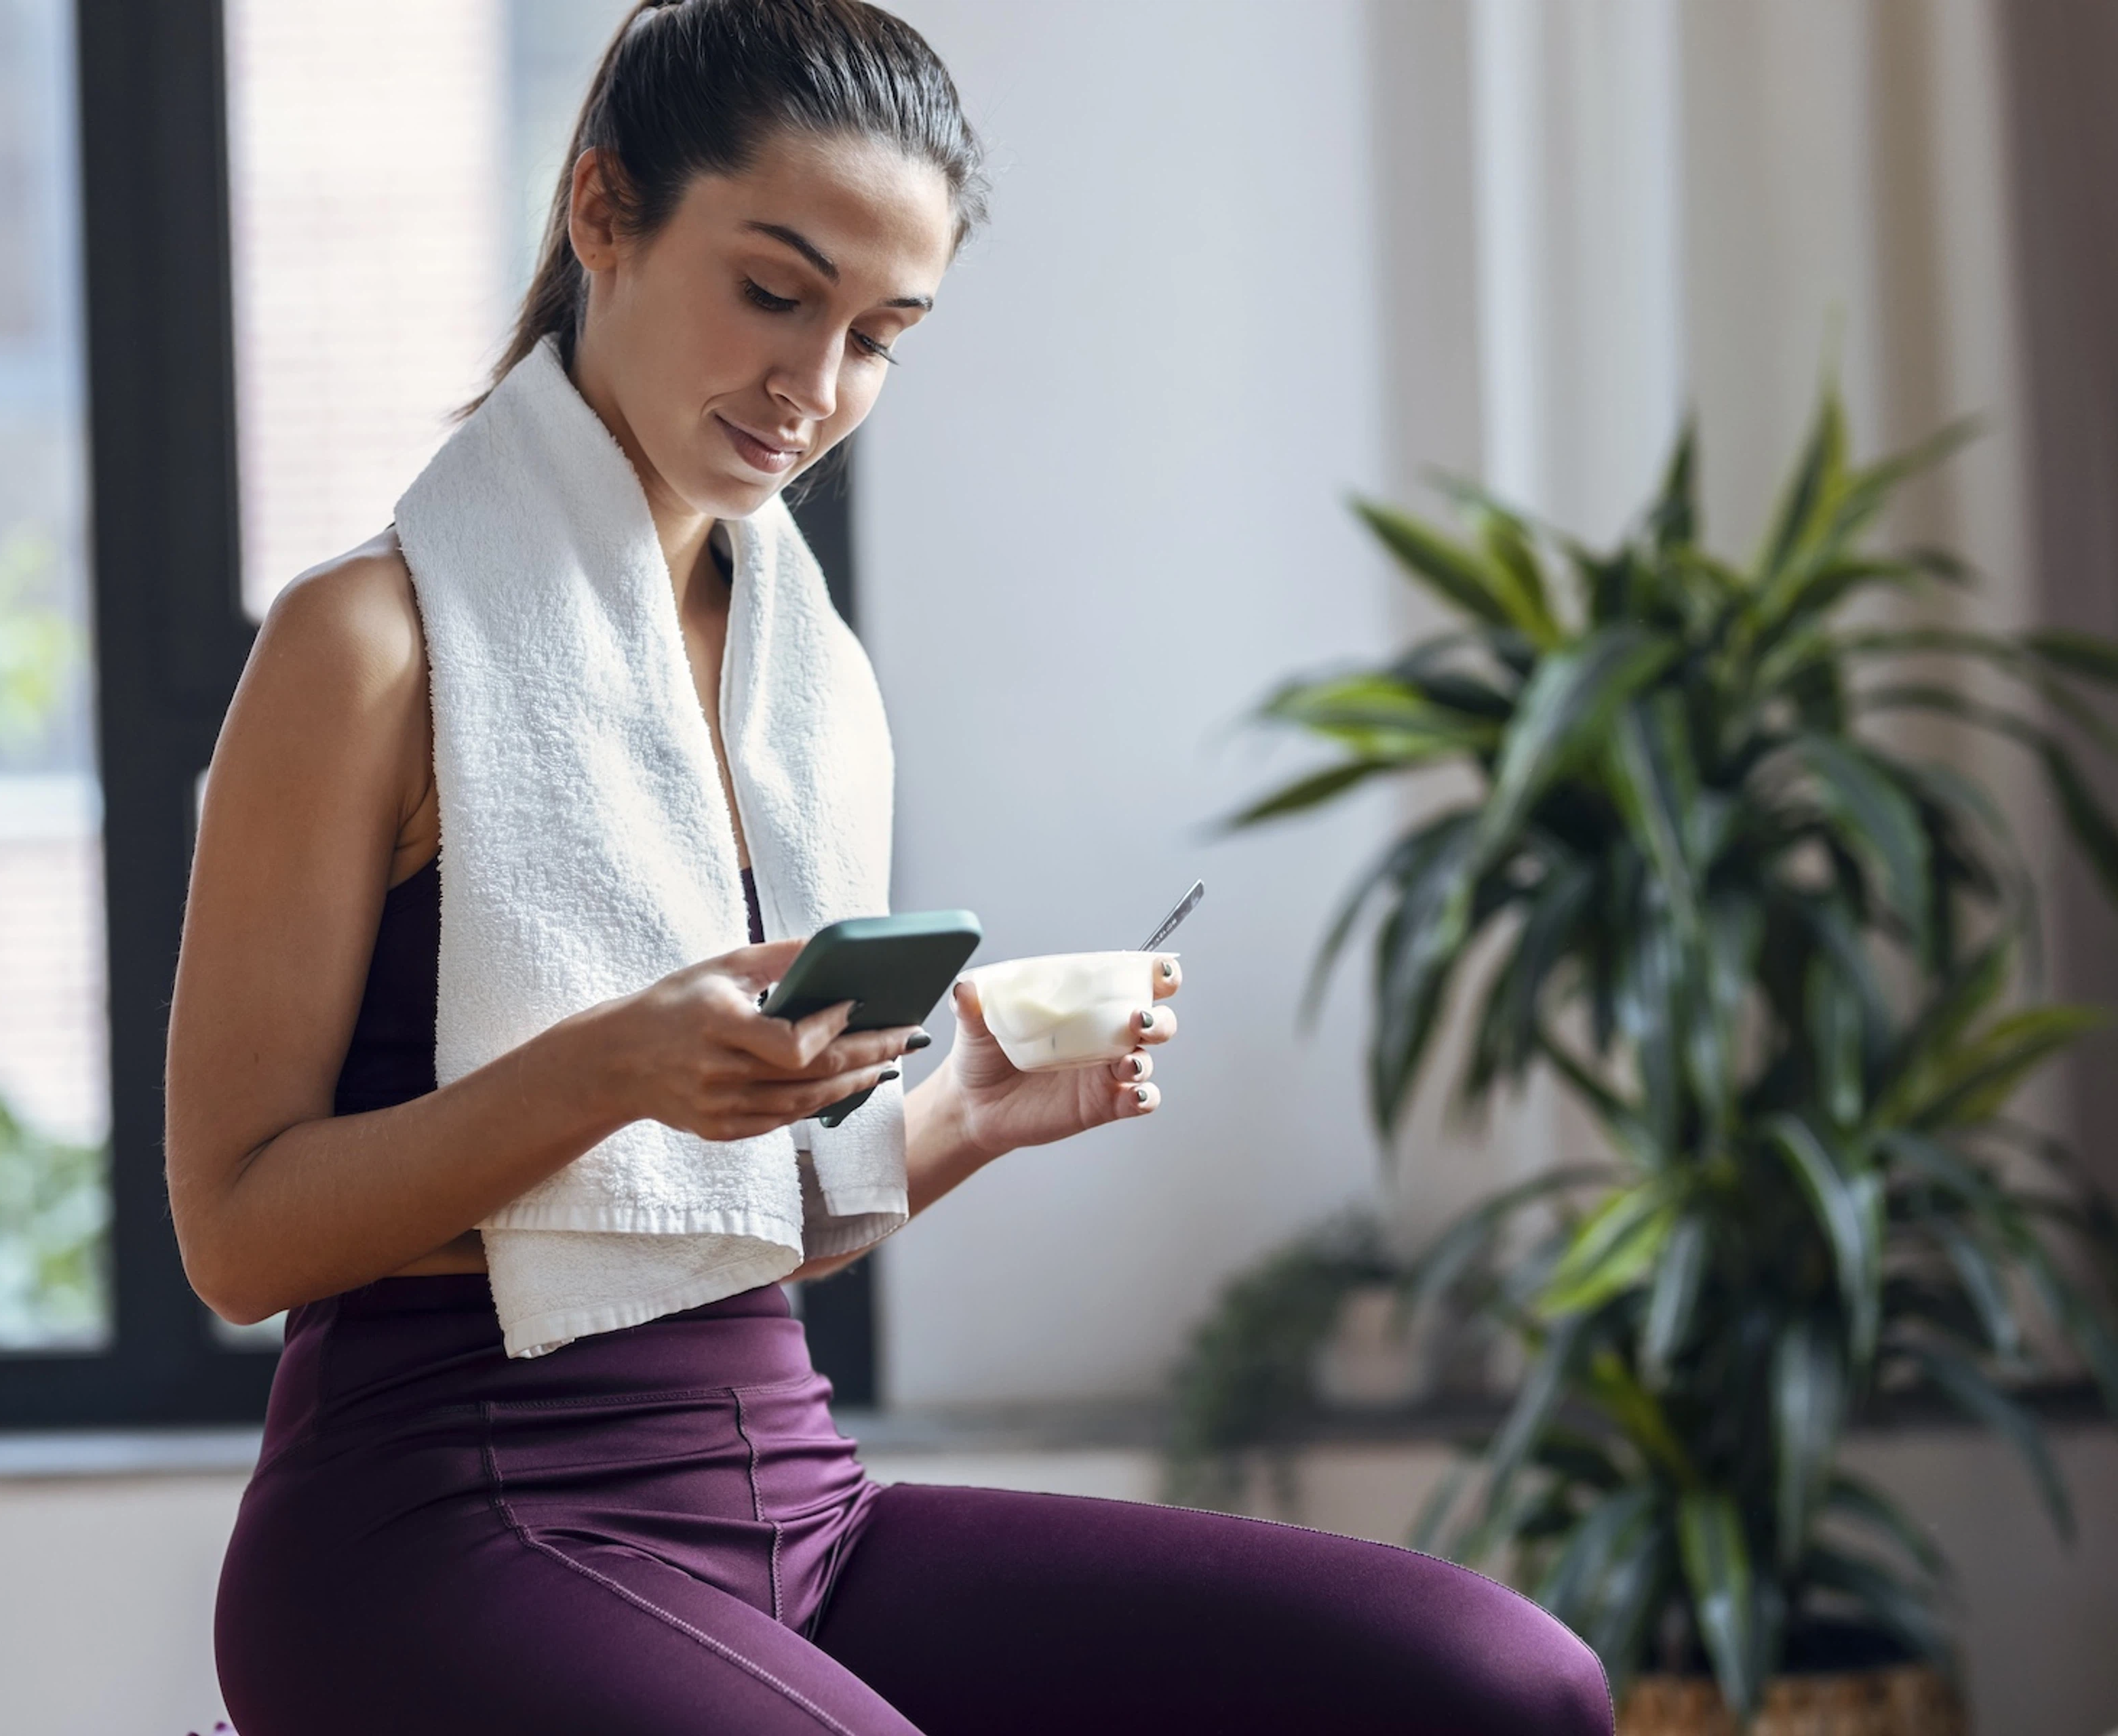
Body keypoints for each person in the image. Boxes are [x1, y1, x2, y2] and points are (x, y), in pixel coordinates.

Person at [171, 2, 1614, 1731]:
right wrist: (619, 1062)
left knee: (1502, 1681)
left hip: (795, 1494)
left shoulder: (805, 670)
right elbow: (238, 1234)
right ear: (603, 212)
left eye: (880, 335)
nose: (814, 385)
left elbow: (727, 1222)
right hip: (444, 1515)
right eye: (776, 292)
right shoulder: (372, 641)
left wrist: (966, 1111)